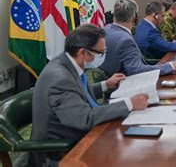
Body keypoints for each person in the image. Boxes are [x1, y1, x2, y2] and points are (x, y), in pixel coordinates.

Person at [30, 24, 149, 166]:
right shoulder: (60, 79)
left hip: (78, 131)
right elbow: (83, 118)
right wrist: (130, 104)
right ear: (83, 53)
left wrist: (105, 84)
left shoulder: (67, 61)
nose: (103, 56)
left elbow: (77, 91)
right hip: (61, 151)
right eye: (100, 52)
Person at [100, 0, 176, 77]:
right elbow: (137, 70)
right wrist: (171, 66)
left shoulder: (106, 29)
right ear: (135, 18)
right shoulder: (126, 40)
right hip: (123, 84)